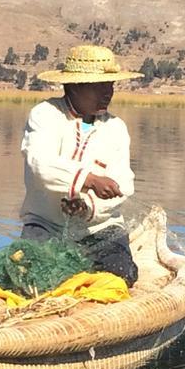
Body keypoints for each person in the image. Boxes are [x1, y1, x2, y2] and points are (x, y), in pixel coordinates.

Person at [20, 44, 142, 286]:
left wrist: (86, 206)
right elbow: (39, 165)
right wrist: (89, 180)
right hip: (46, 224)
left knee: (121, 274)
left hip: (101, 228)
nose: (108, 93)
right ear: (74, 86)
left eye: (111, 86)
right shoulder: (45, 115)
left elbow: (124, 183)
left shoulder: (116, 128)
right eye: (99, 87)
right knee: (29, 276)